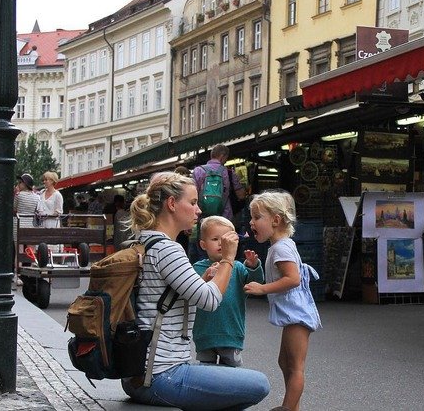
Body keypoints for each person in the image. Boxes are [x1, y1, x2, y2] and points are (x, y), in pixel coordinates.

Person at [120, 172, 270, 410]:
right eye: (192, 202)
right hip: (161, 376)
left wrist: (202, 279)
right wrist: (229, 258)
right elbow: (210, 300)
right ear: (171, 204)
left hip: (138, 374)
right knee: (259, 384)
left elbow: (168, 296)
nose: (198, 210)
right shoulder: (168, 250)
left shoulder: (144, 242)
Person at [244, 190, 321, 411]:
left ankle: (287, 409)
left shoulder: (281, 248)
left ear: (276, 220)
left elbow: (293, 279)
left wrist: (263, 288)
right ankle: (293, 407)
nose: (251, 222)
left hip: (297, 314)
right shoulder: (280, 245)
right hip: (293, 313)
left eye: (257, 217)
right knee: (285, 362)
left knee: (295, 366)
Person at [192, 215, 264, 367]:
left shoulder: (237, 267)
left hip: (231, 333)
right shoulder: (197, 268)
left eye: (226, 239)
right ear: (203, 244)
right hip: (204, 334)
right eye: (215, 239)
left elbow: (254, 283)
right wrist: (205, 277)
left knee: (231, 376)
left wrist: (253, 266)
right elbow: (192, 293)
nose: (221, 243)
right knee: (206, 375)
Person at [190, 144, 245, 261]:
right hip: (224, 218)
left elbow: (191, 196)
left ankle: (203, 274)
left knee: (202, 251)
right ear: (223, 156)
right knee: (225, 252)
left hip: (201, 218)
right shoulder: (229, 173)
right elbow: (241, 195)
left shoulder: (198, 171)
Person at [13, 173, 41, 283]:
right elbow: (37, 210)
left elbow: (14, 209)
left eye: (20, 182)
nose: (18, 184)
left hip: (19, 224)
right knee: (31, 251)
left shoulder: (18, 196)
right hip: (31, 225)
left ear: (25, 184)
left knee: (18, 251)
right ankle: (30, 274)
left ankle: (17, 275)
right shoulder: (37, 197)